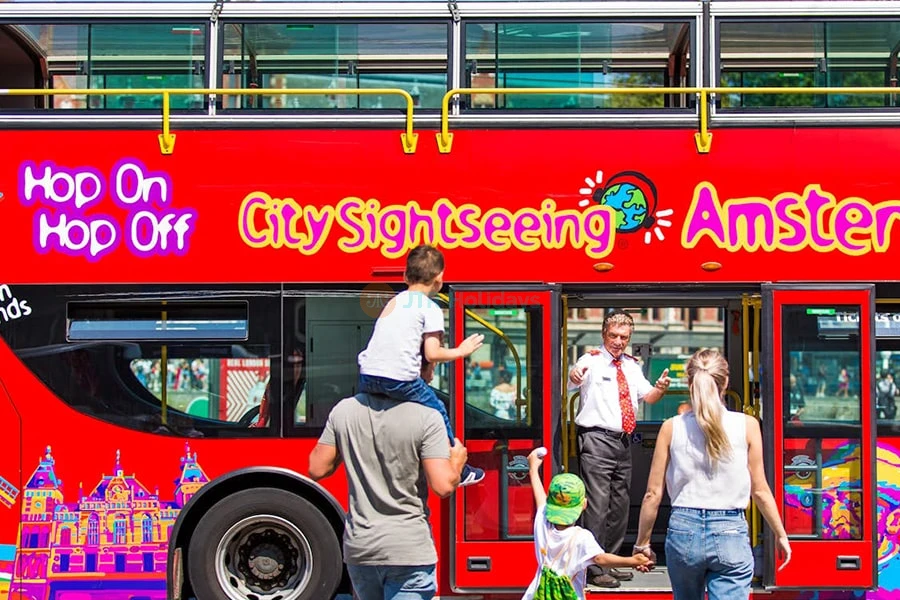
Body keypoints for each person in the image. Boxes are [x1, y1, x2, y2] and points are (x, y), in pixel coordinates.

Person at [633, 349, 792, 600]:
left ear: (688, 382)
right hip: (730, 530)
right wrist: (781, 534)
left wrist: (642, 544)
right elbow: (759, 489)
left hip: (683, 530)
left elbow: (652, 494)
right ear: (725, 382)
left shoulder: (671, 427)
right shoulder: (748, 425)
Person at [308, 358, 467, 600]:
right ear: (412, 369)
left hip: (361, 549)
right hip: (408, 549)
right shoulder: (427, 417)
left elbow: (317, 469)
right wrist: (456, 462)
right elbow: (443, 486)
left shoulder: (344, 410)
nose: (432, 376)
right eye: (431, 367)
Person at [357, 244, 486, 485]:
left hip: (368, 375)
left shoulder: (395, 301)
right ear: (439, 279)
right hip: (399, 378)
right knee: (437, 410)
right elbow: (432, 352)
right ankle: (455, 464)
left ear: (406, 276)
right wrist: (462, 351)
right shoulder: (430, 307)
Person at [567, 310, 671, 588]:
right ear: (604, 334)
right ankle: (592, 567)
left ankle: (609, 561)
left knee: (619, 505)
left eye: (623, 337)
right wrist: (574, 375)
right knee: (598, 506)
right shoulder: (589, 360)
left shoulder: (631, 365)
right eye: (613, 335)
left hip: (623, 440)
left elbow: (648, 395)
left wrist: (660, 388)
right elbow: (571, 380)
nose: (618, 341)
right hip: (596, 438)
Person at [522, 448, 649, 600]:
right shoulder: (581, 537)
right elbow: (600, 559)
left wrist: (533, 469)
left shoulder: (542, 523)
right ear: (584, 504)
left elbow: (541, 500)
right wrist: (632, 561)